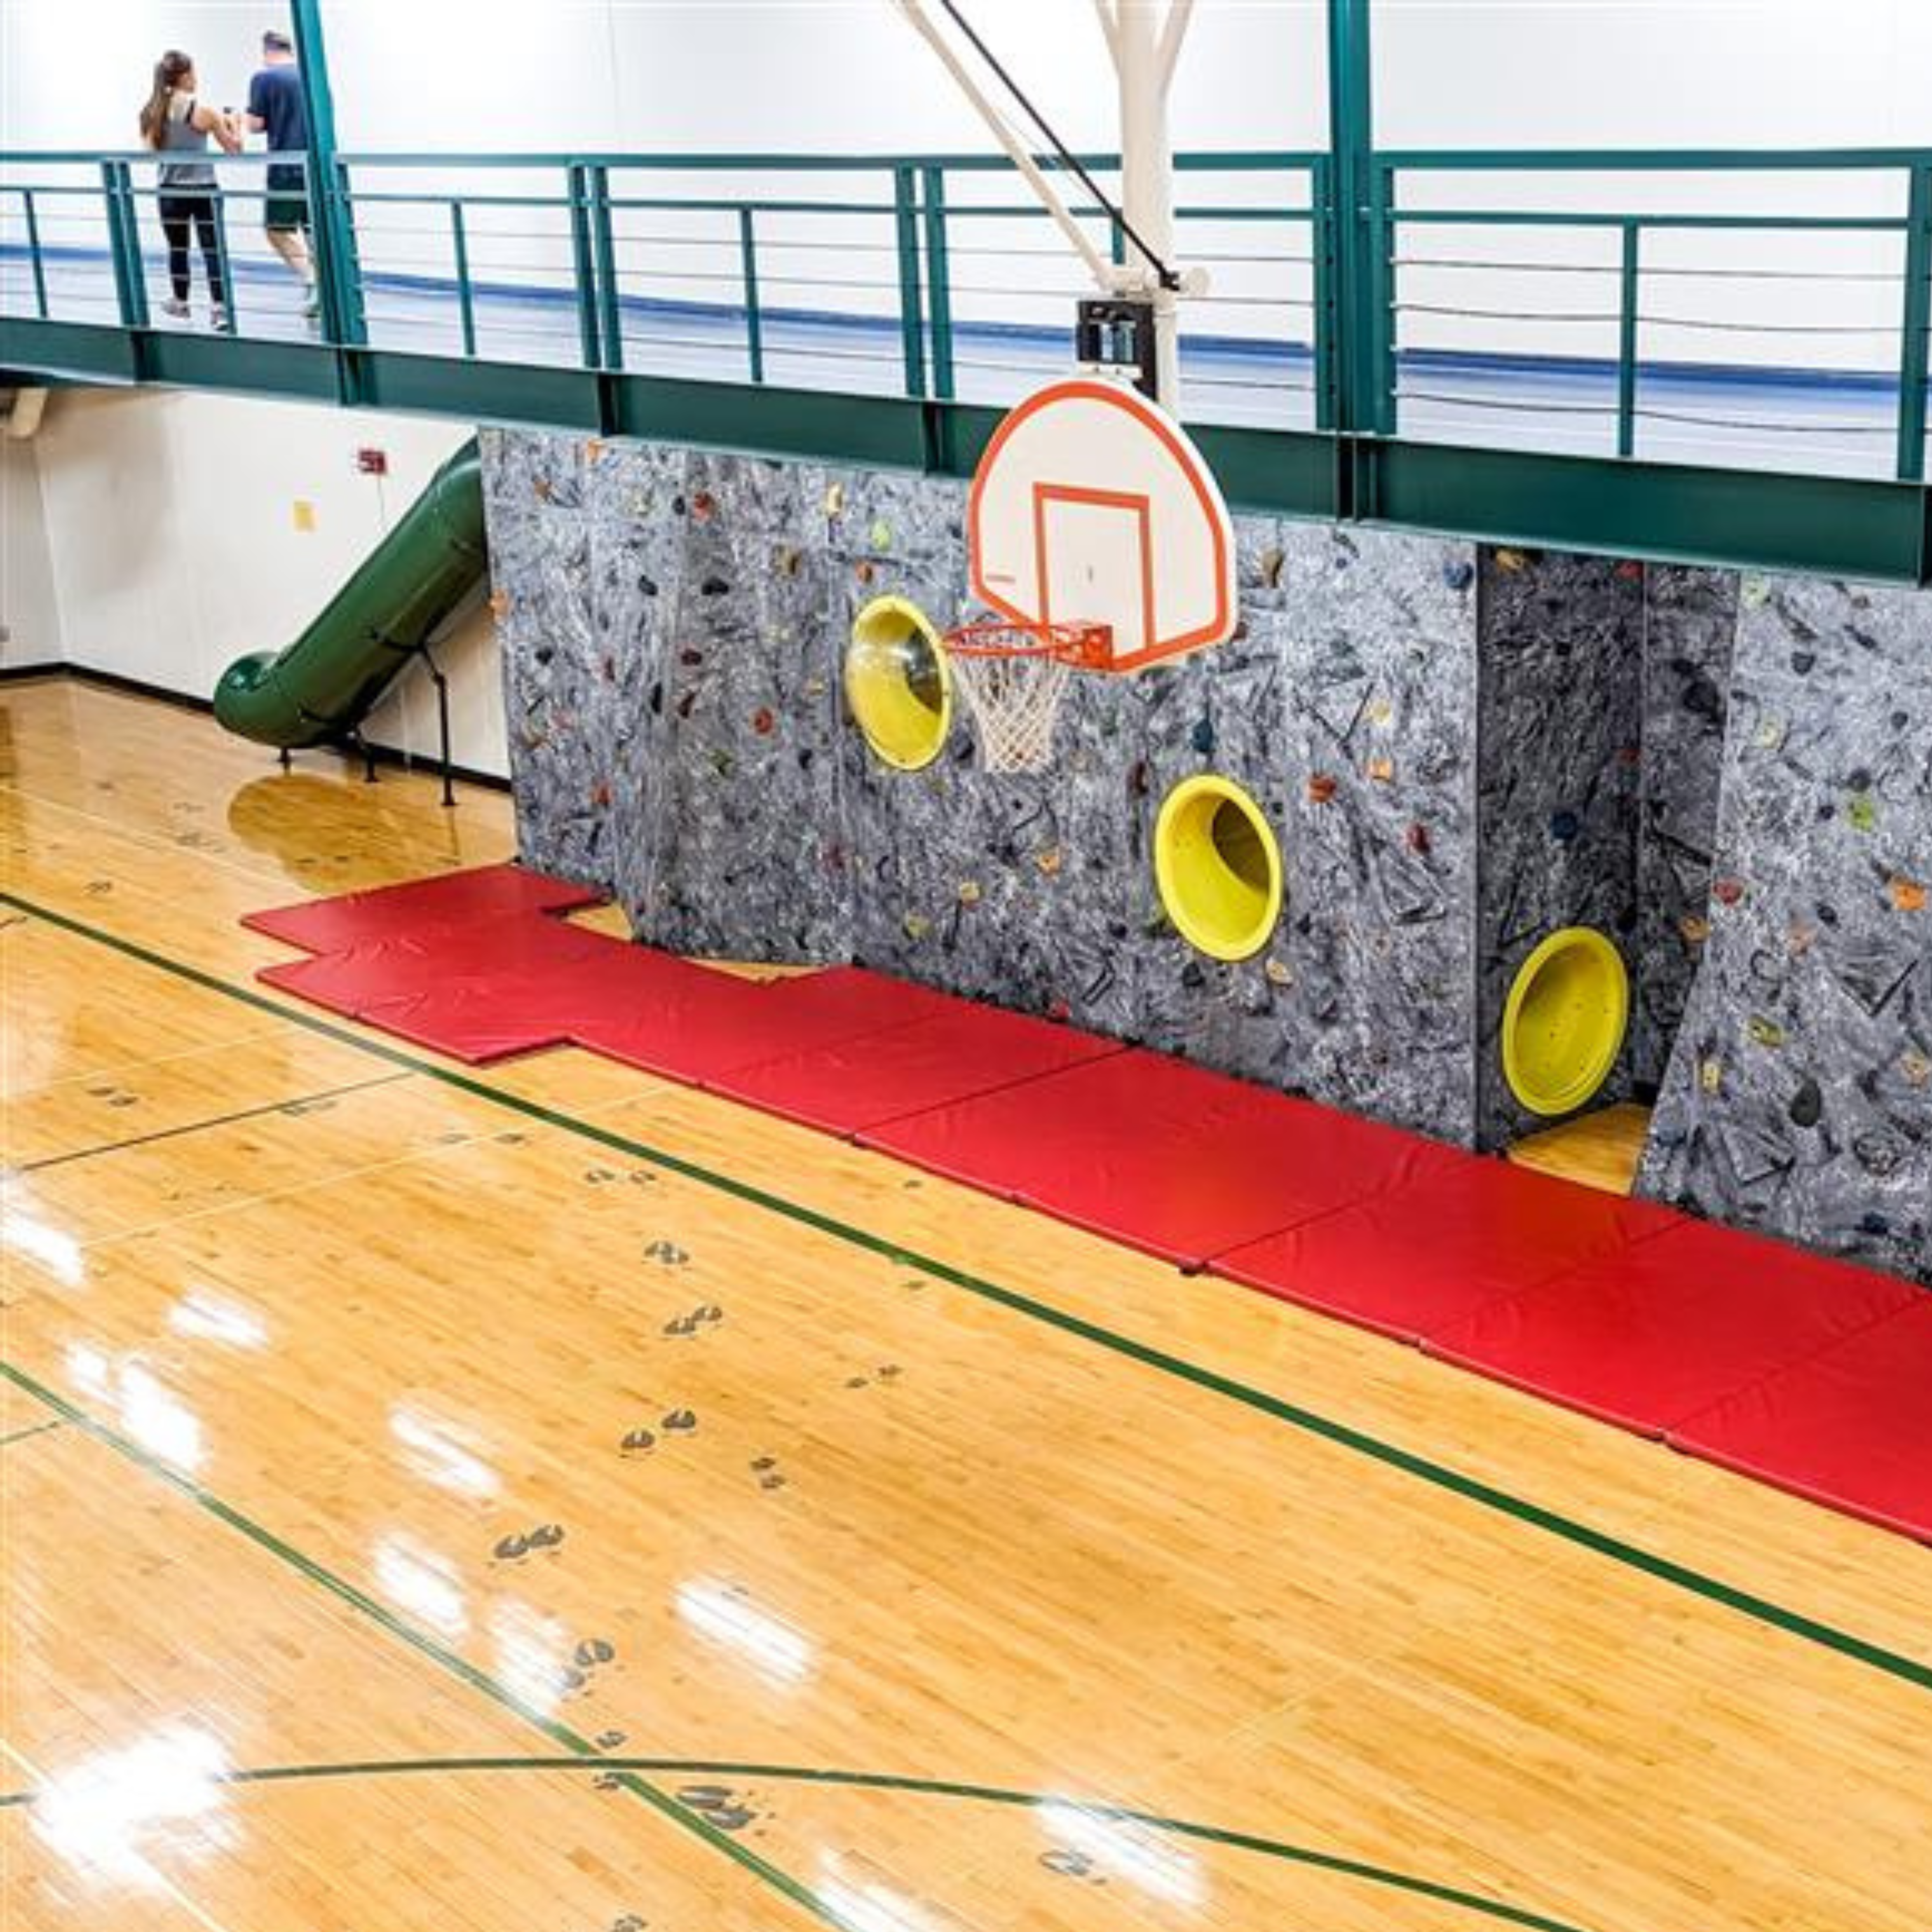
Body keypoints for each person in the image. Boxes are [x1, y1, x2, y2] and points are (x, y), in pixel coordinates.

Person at [138, 51, 241, 329]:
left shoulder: (150, 113)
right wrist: (236, 125)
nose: (196, 79)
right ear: (184, 77)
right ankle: (220, 310)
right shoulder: (203, 112)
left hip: (169, 192)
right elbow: (234, 149)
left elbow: (151, 154)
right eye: (193, 73)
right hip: (204, 190)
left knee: (178, 248)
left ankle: (180, 303)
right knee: (212, 250)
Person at [245, 28, 317, 320]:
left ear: (267, 52)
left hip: (285, 168)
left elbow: (255, 125)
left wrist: (240, 118)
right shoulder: (310, 75)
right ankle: (324, 289)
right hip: (317, 167)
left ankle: (312, 281)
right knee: (315, 231)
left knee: (276, 230)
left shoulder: (264, 78)